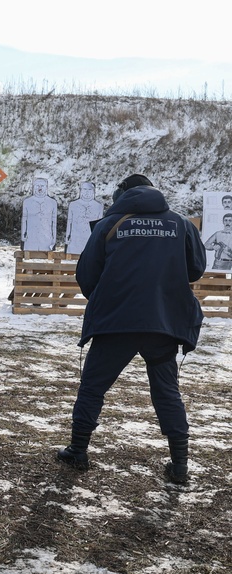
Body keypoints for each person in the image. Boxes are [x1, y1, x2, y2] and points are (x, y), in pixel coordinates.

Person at [57, 174, 206, 484]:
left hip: (116, 323)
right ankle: (180, 465)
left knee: (93, 387)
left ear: (121, 194)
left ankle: (78, 450)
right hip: (162, 322)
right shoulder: (181, 224)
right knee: (167, 393)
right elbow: (196, 268)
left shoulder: (108, 225)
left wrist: (110, 296)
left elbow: (86, 275)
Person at [21, 178, 58, 252]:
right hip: (31, 237)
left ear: (46, 187)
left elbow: (54, 223)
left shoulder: (52, 202)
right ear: (33, 187)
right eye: (37, 186)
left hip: (46, 237)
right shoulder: (27, 202)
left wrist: (54, 239)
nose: (40, 188)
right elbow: (24, 220)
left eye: (42, 186)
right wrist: (23, 236)